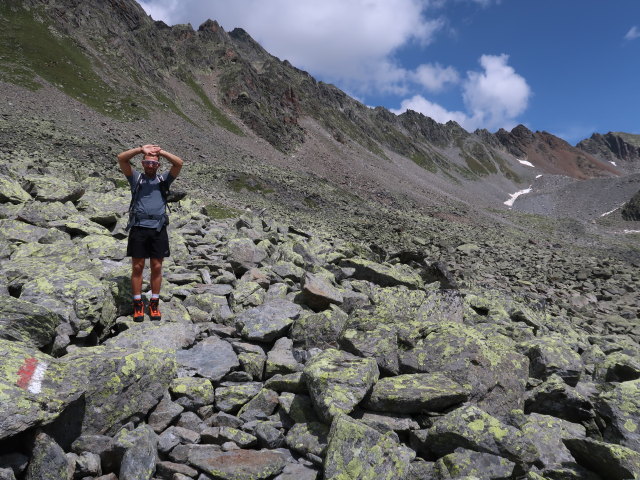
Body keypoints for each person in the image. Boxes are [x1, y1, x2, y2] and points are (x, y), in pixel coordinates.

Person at [117, 144, 183, 321]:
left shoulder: (164, 180)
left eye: (154, 163)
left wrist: (160, 152)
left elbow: (179, 163)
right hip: (139, 227)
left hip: (158, 228)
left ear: (158, 166)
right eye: (147, 162)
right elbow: (121, 158)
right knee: (137, 267)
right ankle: (138, 304)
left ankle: (154, 303)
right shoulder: (135, 178)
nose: (150, 166)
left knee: (157, 266)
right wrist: (141, 149)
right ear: (143, 163)